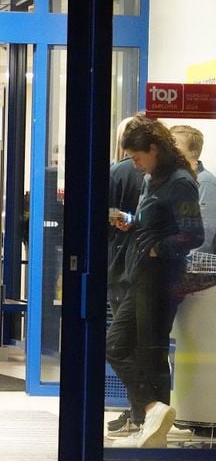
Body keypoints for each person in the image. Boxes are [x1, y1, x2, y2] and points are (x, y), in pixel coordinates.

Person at [107, 114, 203, 448]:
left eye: (137, 157)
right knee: (126, 347)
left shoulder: (179, 181)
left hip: (161, 277)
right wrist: (129, 221)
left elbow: (193, 234)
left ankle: (153, 418)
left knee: (145, 350)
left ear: (153, 148)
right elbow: (155, 220)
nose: (134, 165)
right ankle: (152, 413)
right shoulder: (154, 177)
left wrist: (156, 250)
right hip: (142, 275)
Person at [104, 117, 145, 438]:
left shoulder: (118, 172)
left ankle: (142, 410)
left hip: (122, 266)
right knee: (140, 345)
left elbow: (102, 215)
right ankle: (138, 410)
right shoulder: (158, 176)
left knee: (120, 345)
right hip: (141, 268)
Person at [170, 125, 216, 253]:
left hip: (191, 267)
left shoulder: (205, 182)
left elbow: (206, 232)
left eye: (174, 146)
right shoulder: (177, 180)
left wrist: (188, 263)